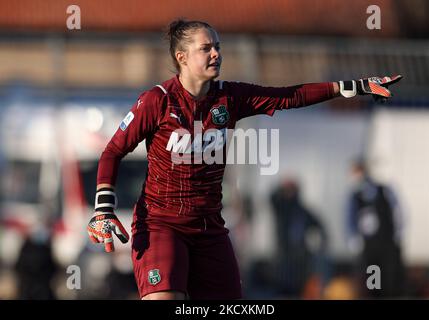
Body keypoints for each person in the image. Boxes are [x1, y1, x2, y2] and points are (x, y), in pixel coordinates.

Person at [86, 19, 402, 300]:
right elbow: (113, 150)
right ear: (181, 57)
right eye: (206, 48)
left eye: (218, 47)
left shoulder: (230, 97)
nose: (216, 54)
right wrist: (103, 208)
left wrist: (351, 87)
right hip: (160, 226)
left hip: (209, 228)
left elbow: (289, 96)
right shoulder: (157, 101)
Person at [346, 159, 405, 298]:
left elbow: (398, 212)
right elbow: (350, 218)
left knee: (389, 280)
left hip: (387, 244)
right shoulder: (355, 196)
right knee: (373, 281)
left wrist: (399, 232)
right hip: (370, 247)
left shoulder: (384, 191)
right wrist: (353, 237)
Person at [270, 179, 328, 298]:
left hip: (300, 260)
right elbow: (271, 197)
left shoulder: (303, 211)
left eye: (292, 190)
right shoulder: (281, 208)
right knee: (282, 289)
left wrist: (320, 247)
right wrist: (282, 186)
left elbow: (321, 227)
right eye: (288, 190)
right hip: (283, 257)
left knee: (298, 290)